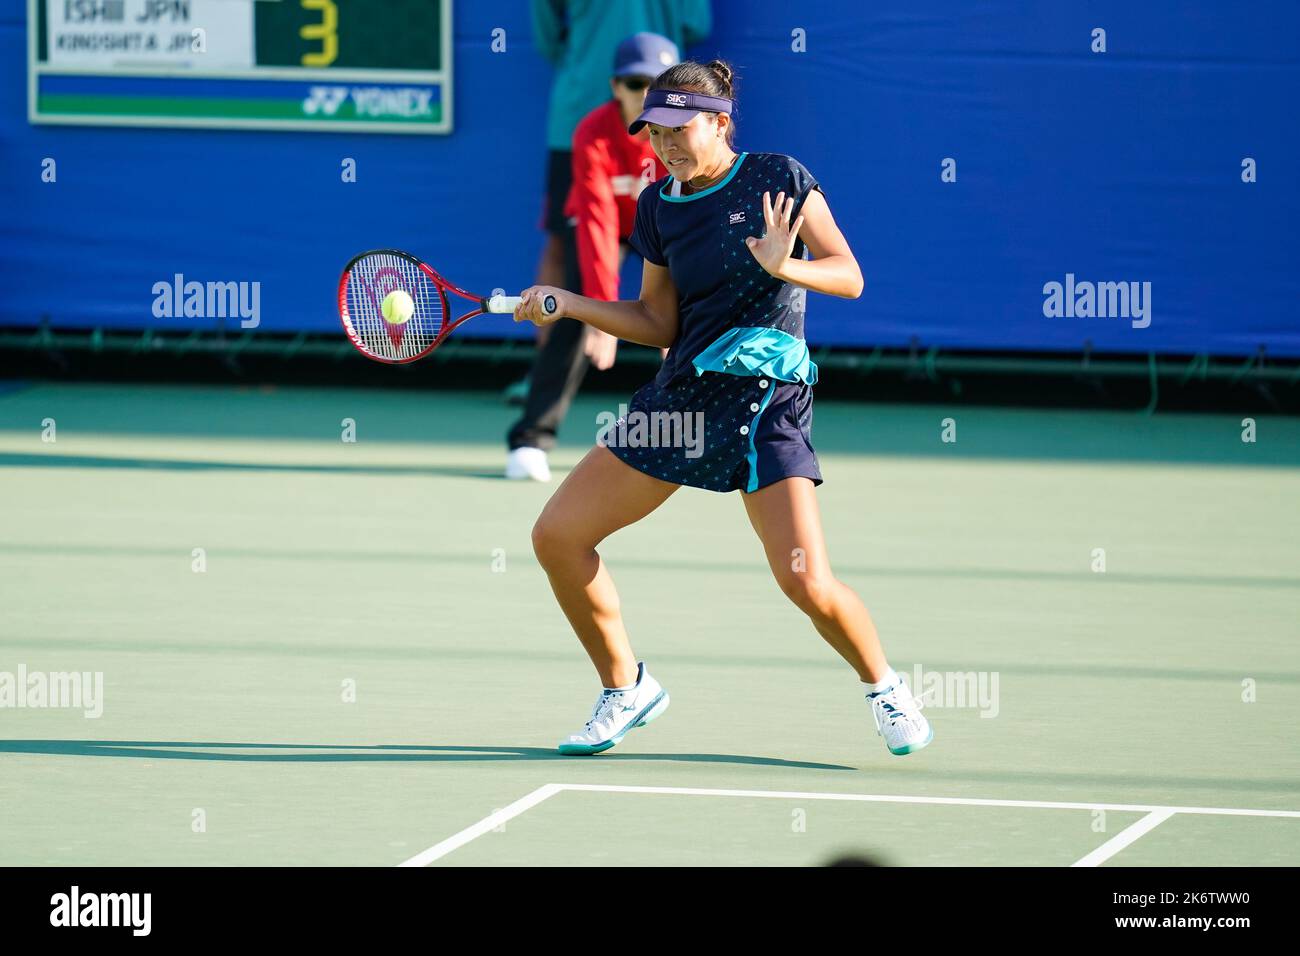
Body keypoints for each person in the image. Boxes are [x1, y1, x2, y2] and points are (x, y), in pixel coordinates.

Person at [513, 60, 933, 758]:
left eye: (681, 129)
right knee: (557, 536)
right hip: (683, 399)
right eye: (655, 132)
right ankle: (626, 687)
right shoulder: (658, 205)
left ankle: (884, 686)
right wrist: (570, 304)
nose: (667, 145)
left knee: (805, 580)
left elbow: (849, 276)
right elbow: (657, 321)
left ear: (719, 120)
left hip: (766, 401)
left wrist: (785, 266)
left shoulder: (780, 179)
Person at [506, 32, 676, 481]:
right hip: (605, 226)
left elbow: (688, 217)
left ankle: (692, 435)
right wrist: (600, 315)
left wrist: (671, 324)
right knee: (570, 312)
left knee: (690, 318)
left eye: (656, 85)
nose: (645, 95)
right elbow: (598, 222)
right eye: (636, 84)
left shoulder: (679, 138)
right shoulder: (592, 132)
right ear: (615, 86)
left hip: (664, 227)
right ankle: (530, 441)